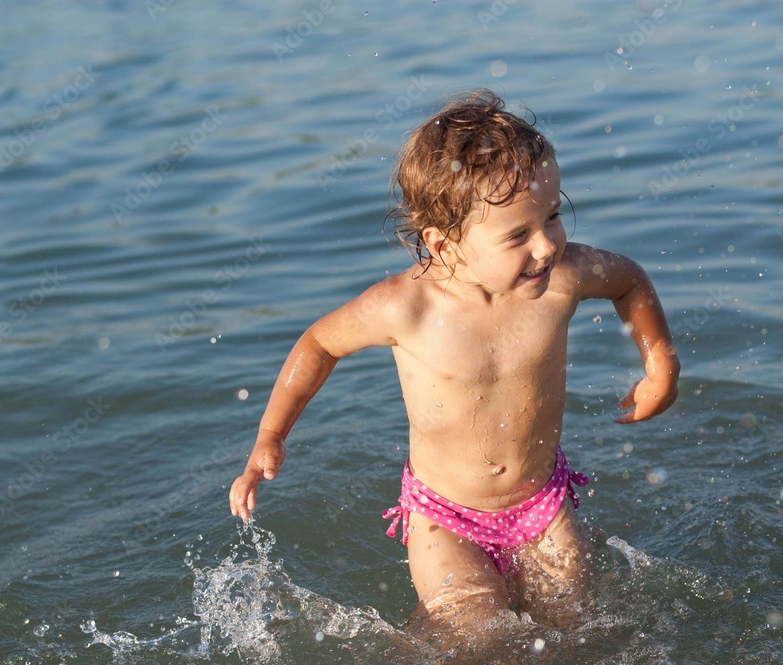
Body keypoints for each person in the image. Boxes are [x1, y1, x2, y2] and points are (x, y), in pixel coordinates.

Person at [229, 89, 679, 644]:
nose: (546, 245)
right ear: (444, 246)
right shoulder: (407, 308)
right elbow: (320, 343)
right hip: (446, 517)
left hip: (542, 501)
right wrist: (270, 435)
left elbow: (629, 280)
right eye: (518, 234)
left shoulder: (564, 278)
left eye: (553, 215)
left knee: (581, 628)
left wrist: (660, 365)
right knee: (478, 636)